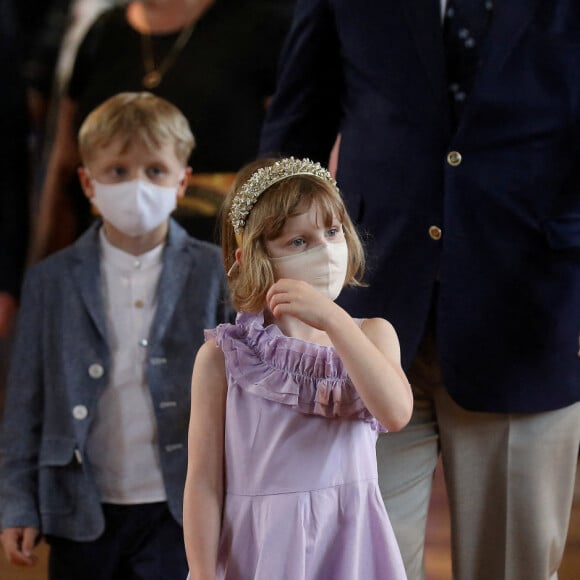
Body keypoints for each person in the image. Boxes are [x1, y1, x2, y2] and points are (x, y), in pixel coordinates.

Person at [259, 2, 580, 580]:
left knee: (512, 567)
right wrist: (267, 270)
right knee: (356, 560)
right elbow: (296, 129)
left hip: (530, 310)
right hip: (361, 311)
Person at [0, 92, 232, 579]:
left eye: (154, 170)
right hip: (78, 505)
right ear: (87, 182)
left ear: (182, 180)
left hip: (182, 504)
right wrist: (17, 504)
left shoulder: (215, 272)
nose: (137, 186)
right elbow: (25, 402)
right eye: (118, 172)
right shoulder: (51, 279)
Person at [183, 157, 413, 579]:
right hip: (263, 546)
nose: (325, 250)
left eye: (332, 232)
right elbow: (203, 481)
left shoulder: (374, 335)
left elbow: (395, 414)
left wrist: (335, 321)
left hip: (350, 542)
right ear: (252, 256)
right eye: (299, 242)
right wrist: (201, 570)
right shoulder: (223, 358)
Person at [31, 0, 295, 260]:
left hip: (227, 265)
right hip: (104, 263)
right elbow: (65, 163)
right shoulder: (103, 33)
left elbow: (291, 165)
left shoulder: (265, 28)